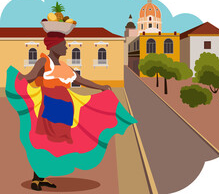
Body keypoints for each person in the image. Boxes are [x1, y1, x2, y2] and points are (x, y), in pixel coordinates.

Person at [6, 31, 137, 191]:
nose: (66, 48)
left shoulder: (64, 66)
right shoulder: (43, 62)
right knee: (43, 141)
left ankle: (42, 175)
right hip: (50, 108)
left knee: (58, 144)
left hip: (66, 110)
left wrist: (101, 87)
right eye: (64, 45)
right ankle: (36, 178)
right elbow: (30, 77)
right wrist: (17, 78)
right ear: (54, 46)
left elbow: (79, 79)